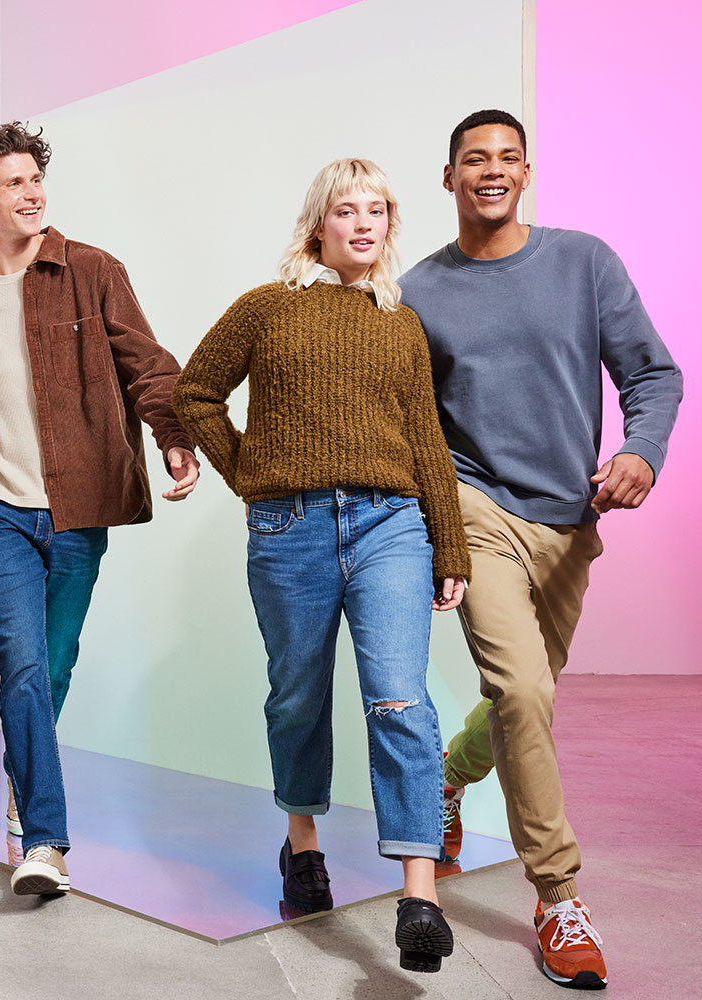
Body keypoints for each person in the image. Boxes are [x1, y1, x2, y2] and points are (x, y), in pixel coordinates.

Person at [400, 109, 682, 990]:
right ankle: (558, 897)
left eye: (507, 158)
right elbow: (407, 418)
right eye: (473, 159)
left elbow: (651, 372)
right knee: (522, 688)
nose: (491, 170)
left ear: (525, 173)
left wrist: (639, 450)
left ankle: (446, 782)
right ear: (446, 177)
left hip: (567, 519)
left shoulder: (583, 262)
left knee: (525, 698)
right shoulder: (416, 291)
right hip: (473, 506)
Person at [174, 159, 469, 973]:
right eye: (347, 210)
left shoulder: (400, 324)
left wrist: (448, 543)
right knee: (297, 694)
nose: (364, 224)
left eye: (377, 210)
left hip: (390, 526)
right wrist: (253, 476)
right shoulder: (267, 309)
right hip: (289, 528)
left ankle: (418, 894)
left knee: (399, 698)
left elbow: (427, 444)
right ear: (319, 226)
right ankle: (301, 841)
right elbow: (193, 393)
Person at [0, 122, 200, 896]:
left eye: (34, 180)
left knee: (50, 665)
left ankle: (25, 762)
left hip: (75, 507)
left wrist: (174, 437)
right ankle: (46, 841)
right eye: (12, 183)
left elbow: (146, 363)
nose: (30, 194)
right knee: (20, 661)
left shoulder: (91, 270)